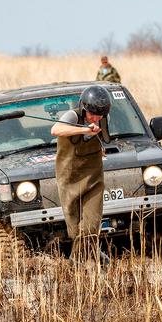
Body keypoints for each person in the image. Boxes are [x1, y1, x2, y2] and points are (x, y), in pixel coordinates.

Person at [50, 86, 112, 261]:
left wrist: (99, 148)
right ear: (84, 108)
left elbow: (101, 139)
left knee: (91, 225)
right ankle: (91, 259)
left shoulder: (104, 119)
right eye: (92, 115)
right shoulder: (73, 116)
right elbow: (55, 130)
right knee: (75, 230)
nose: (96, 119)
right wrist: (84, 130)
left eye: (100, 115)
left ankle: (75, 263)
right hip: (69, 178)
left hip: (93, 179)